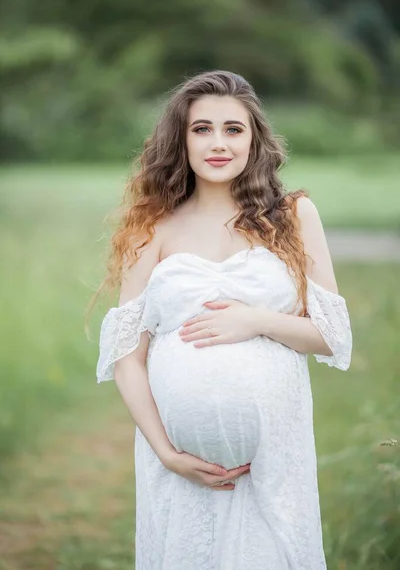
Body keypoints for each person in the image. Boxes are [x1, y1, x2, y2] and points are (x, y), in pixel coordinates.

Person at [94, 70, 352, 570]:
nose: (218, 143)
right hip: (178, 470)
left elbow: (331, 337)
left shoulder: (294, 215)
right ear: (180, 140)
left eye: (233, 129)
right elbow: (127, 357)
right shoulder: (154, 226)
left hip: (273, 465)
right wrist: (167, 453)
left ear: (254, 139)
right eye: (202, 129)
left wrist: (255, 320)